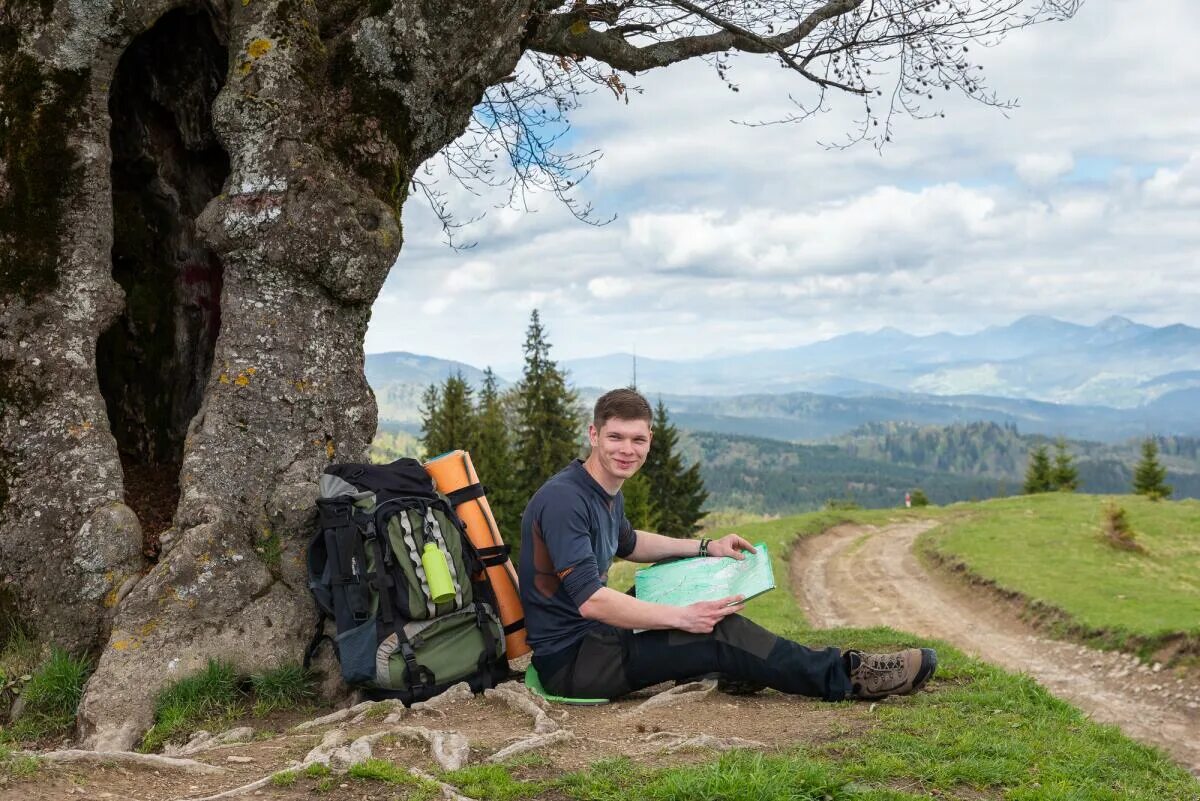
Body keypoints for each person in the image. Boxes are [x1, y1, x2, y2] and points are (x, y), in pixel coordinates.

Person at [518, 387, 937, 702]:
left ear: (650, 440)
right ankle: (845, 676)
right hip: (575, 662)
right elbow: (591, 600)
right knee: (717, 629)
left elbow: (628, 542)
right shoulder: (564, 500)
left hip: (598, 637)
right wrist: (680, 618)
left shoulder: (602, 489)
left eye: (637, 440)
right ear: (594, 434)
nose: (627, 450)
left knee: (699, 584)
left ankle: (737, 666)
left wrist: (706, 549)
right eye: (615, 437)